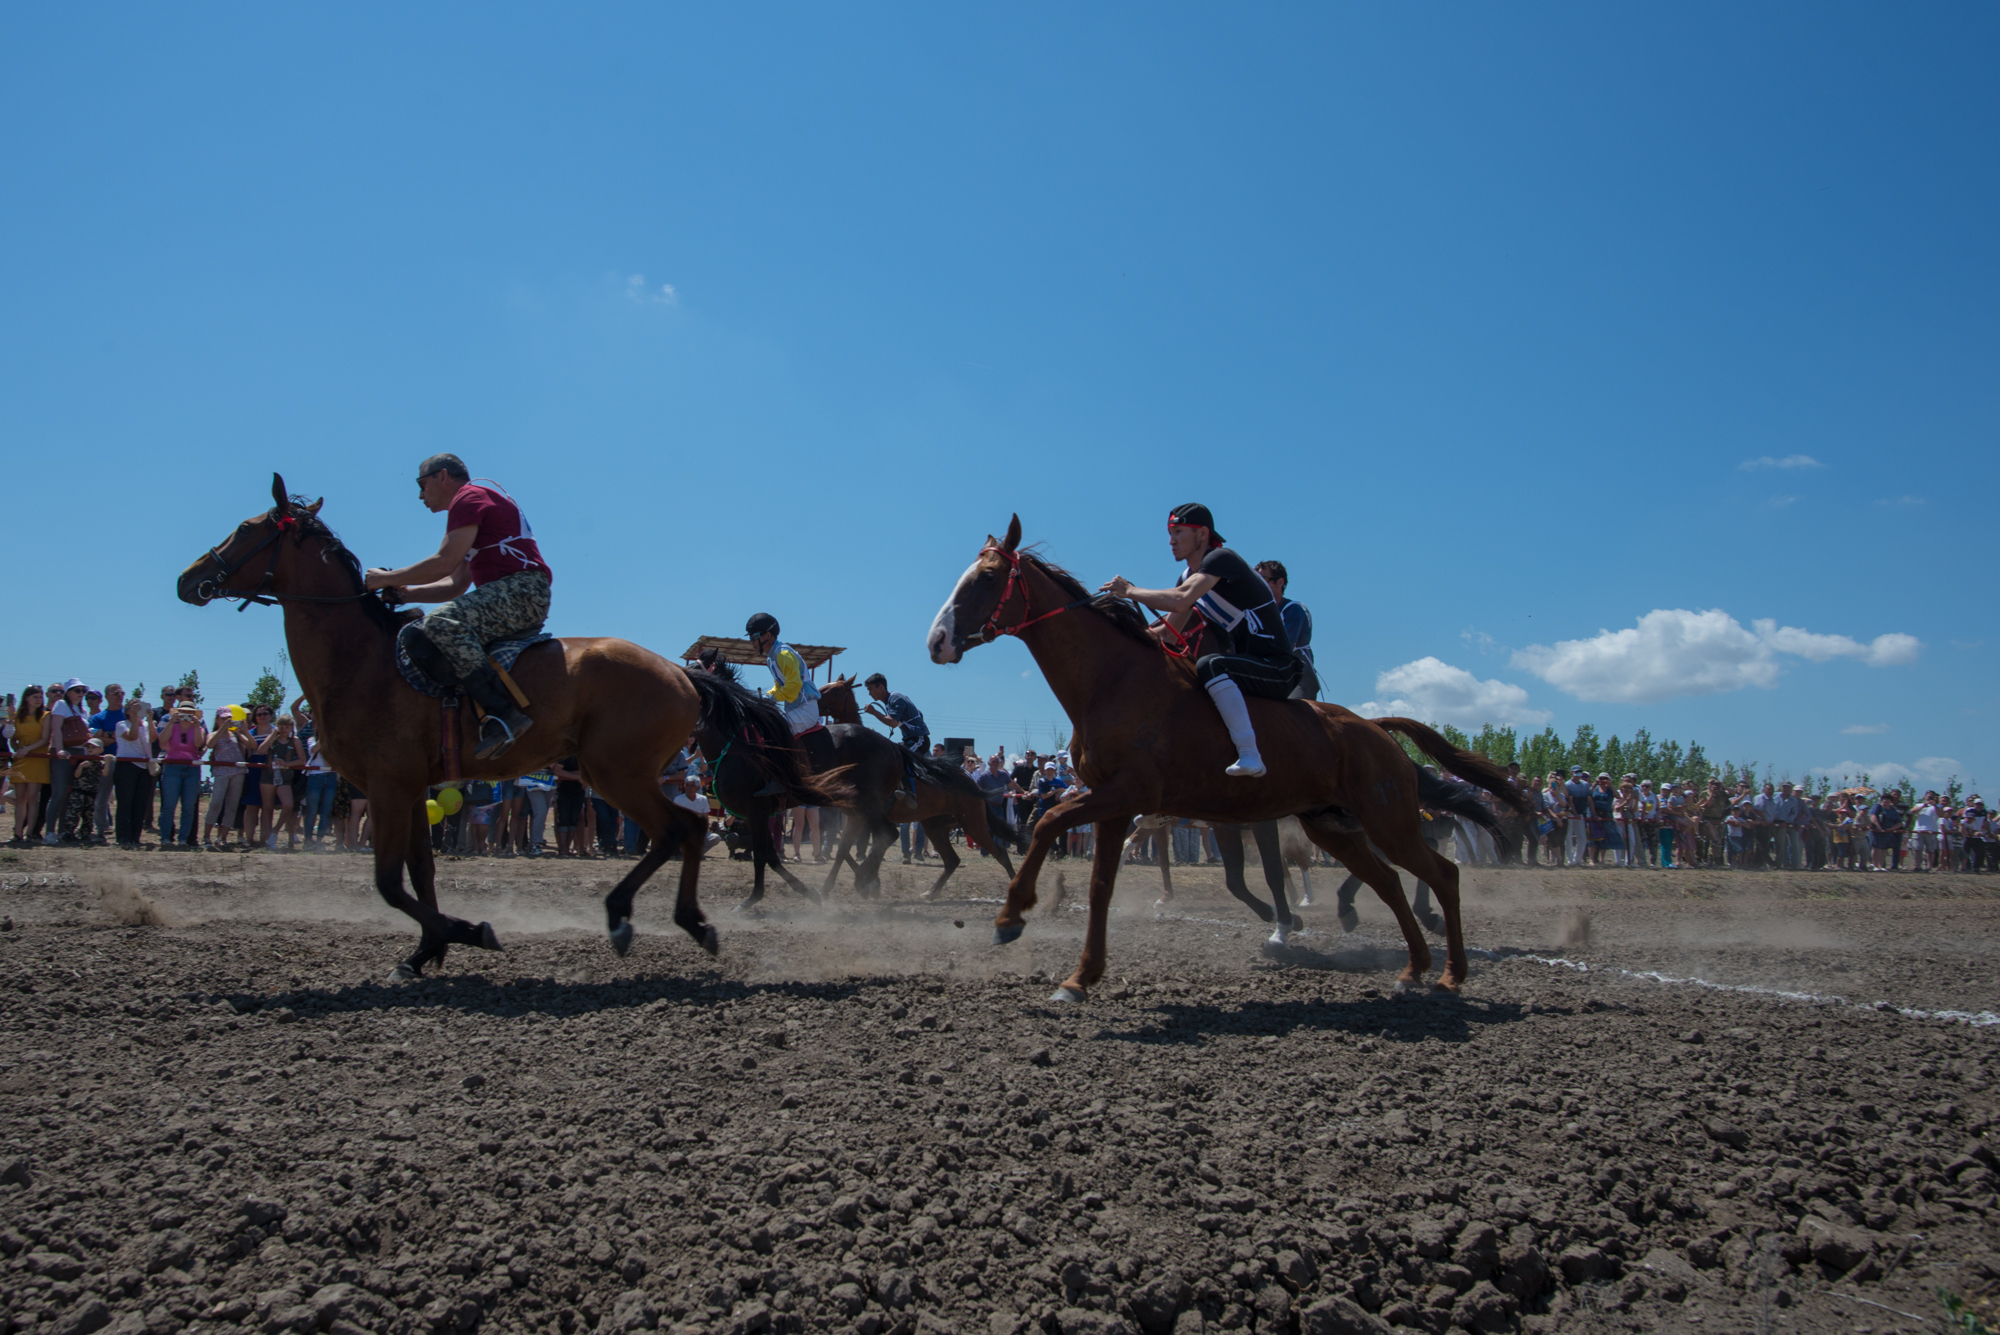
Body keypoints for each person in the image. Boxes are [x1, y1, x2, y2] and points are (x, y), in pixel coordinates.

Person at [365, 454, 549, 759]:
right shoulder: (474, 509)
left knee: (440, 623)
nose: (420, 495)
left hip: (520, 591)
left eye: (422, 485)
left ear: (443, 476)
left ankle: (501, 714)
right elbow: (456, 584)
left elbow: (443, 563)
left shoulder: (469, 497)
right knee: (439, 623)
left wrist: (384, 579)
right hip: (516, 592)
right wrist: (404, 595)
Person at [1098, 503, 1298, 777]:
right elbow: (1167, 633)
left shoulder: (1221, 558)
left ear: (1203, 534)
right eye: (1170, 533)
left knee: (1210, 665)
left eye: (1179, 532)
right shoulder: (1187, 577)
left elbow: (1181, 601)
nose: (1172, 541)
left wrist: (1130, 590)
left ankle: (1250, 754)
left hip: (1277, 668)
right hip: (1246, 667)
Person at [745, 612, 823, 854]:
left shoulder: (783, 654)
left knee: (775, 733)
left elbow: (792, 687)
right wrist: (767, 696)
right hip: (797, 706)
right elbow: (781, 687)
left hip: (805, 709)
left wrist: (773, 698)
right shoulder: (773, 655)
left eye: (754, 637)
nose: (751, 641)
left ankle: (779, 781)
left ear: (767, 635)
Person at [1253, 560, 1318, 701]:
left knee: (1296, 714)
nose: (1258, 584)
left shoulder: (1294, 609)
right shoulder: (1255, 613)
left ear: (1280, 582)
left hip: (1297, 672)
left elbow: (1285, 646)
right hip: (1269, 671)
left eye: (1264, 580)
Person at [45, 680, 94, 846]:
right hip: (64, 752)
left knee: (70, 794)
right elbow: (56, 728)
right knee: (58, 793)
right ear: (68, 692)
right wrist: (59, 749)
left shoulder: (83, 710)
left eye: (83, 690)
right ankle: (50, 832)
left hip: (80, 752)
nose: (80, 693)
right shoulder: (61, 705)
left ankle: (64, 831)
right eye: (77, 690)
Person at [156, 701, 207, 850]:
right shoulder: (172, 726)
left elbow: (198, 744)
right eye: (183, 712)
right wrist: (171, 722)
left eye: (189, 713)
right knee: (169, 805)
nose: (186, 716)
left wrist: (197, 726)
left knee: (188, 806)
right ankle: (165, 838)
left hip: (191, 769)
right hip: (172, 767)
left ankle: (183, 839)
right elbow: (162, 742)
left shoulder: (198, 728)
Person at [111, 699, 157, 849]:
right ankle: (123, 837)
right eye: (135, 707)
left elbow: (153, 738)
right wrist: (136, 719)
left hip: (143, 767)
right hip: (126, 765)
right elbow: (132, 736)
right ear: (128, 710)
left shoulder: (145, 725)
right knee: (125, 802)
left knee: (140, 803)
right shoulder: (121, 725)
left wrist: (149, 721)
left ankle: (135, 836)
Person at [7, 687, 50, 846]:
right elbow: (12, 736)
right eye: (34, 696)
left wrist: (27, 749)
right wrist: (16, 748)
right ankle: (17, 833)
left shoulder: (45, 716)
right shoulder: (17, 716)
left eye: (40, 697)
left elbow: (45, 739)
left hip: (37, 757)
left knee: (33, 798)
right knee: (20, 799)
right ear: (26, 698)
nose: (38, 700)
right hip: (21, 759)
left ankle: (30, 833)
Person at [203, 710, 247, 849]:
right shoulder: (213, 734)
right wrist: (222, 728)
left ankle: (222, 838)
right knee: (216, 803)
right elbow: (210, 745)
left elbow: (252, 746)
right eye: (224, 719)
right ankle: (206, 837)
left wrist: (244, 731)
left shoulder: (235, 735)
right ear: (217, 720)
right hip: (221, 772)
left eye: (229, 719)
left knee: (232, 806)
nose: (227, 721)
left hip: (238, 773)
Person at [862, 673, 930, 755]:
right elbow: (919, 714)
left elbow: (893, 723)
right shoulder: (892, 700)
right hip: (910, 741)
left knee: (902, 760)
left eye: (870, 689)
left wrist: (874, 712)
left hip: (919, 740)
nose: (869, 693)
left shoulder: (895, 699)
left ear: (881, 687)